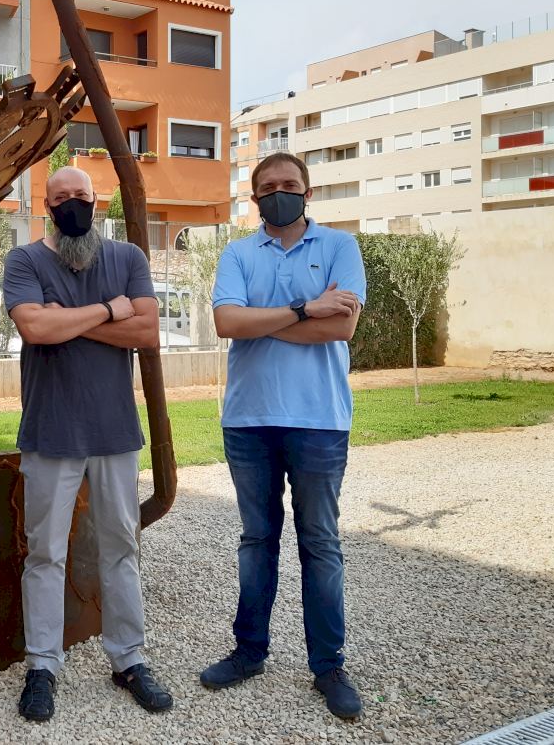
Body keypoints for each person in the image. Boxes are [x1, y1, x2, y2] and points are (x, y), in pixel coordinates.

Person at [2, 166, 174, 723]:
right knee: (45, 553)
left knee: (120, 546)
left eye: (81, 194)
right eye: (62, 197)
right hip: (51, 430)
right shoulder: (25, 261)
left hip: (114, 432)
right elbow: (35, 329)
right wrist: (108, 310)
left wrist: (69, 321)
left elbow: (146, 332)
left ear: (96, 201)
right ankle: (42, 665)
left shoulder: (127, 258)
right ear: (47, 204)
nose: (72, 202)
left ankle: (129, 658)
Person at [200, 152, 367, 720]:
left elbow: (342, 326)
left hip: (320, 419)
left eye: (289, 184)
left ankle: (329, 666)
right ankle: (249, 652)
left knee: (320, 542)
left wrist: (266, 320)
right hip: (249, 420)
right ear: (254, 198)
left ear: (308, 192)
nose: (279, 193)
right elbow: (227, 323)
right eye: (268, 186)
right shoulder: (238, 253)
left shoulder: (340, 247)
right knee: (257, 540)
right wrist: (304, 309)